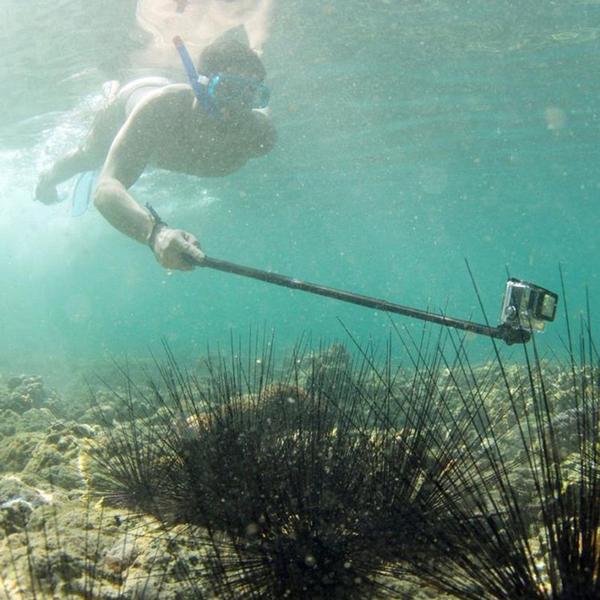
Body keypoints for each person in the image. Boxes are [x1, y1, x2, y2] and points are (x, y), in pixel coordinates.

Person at [35, 34, 276, 271]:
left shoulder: (258, 136)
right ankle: (48, 177)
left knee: (115, 156)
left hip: (153, 141)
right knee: (90, 155)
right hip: (132, 100)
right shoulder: (160, 110)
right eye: (226, 90)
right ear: (198, 83)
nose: (235, 108)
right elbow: (106, 187)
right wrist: (155, 233)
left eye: (249, 95)